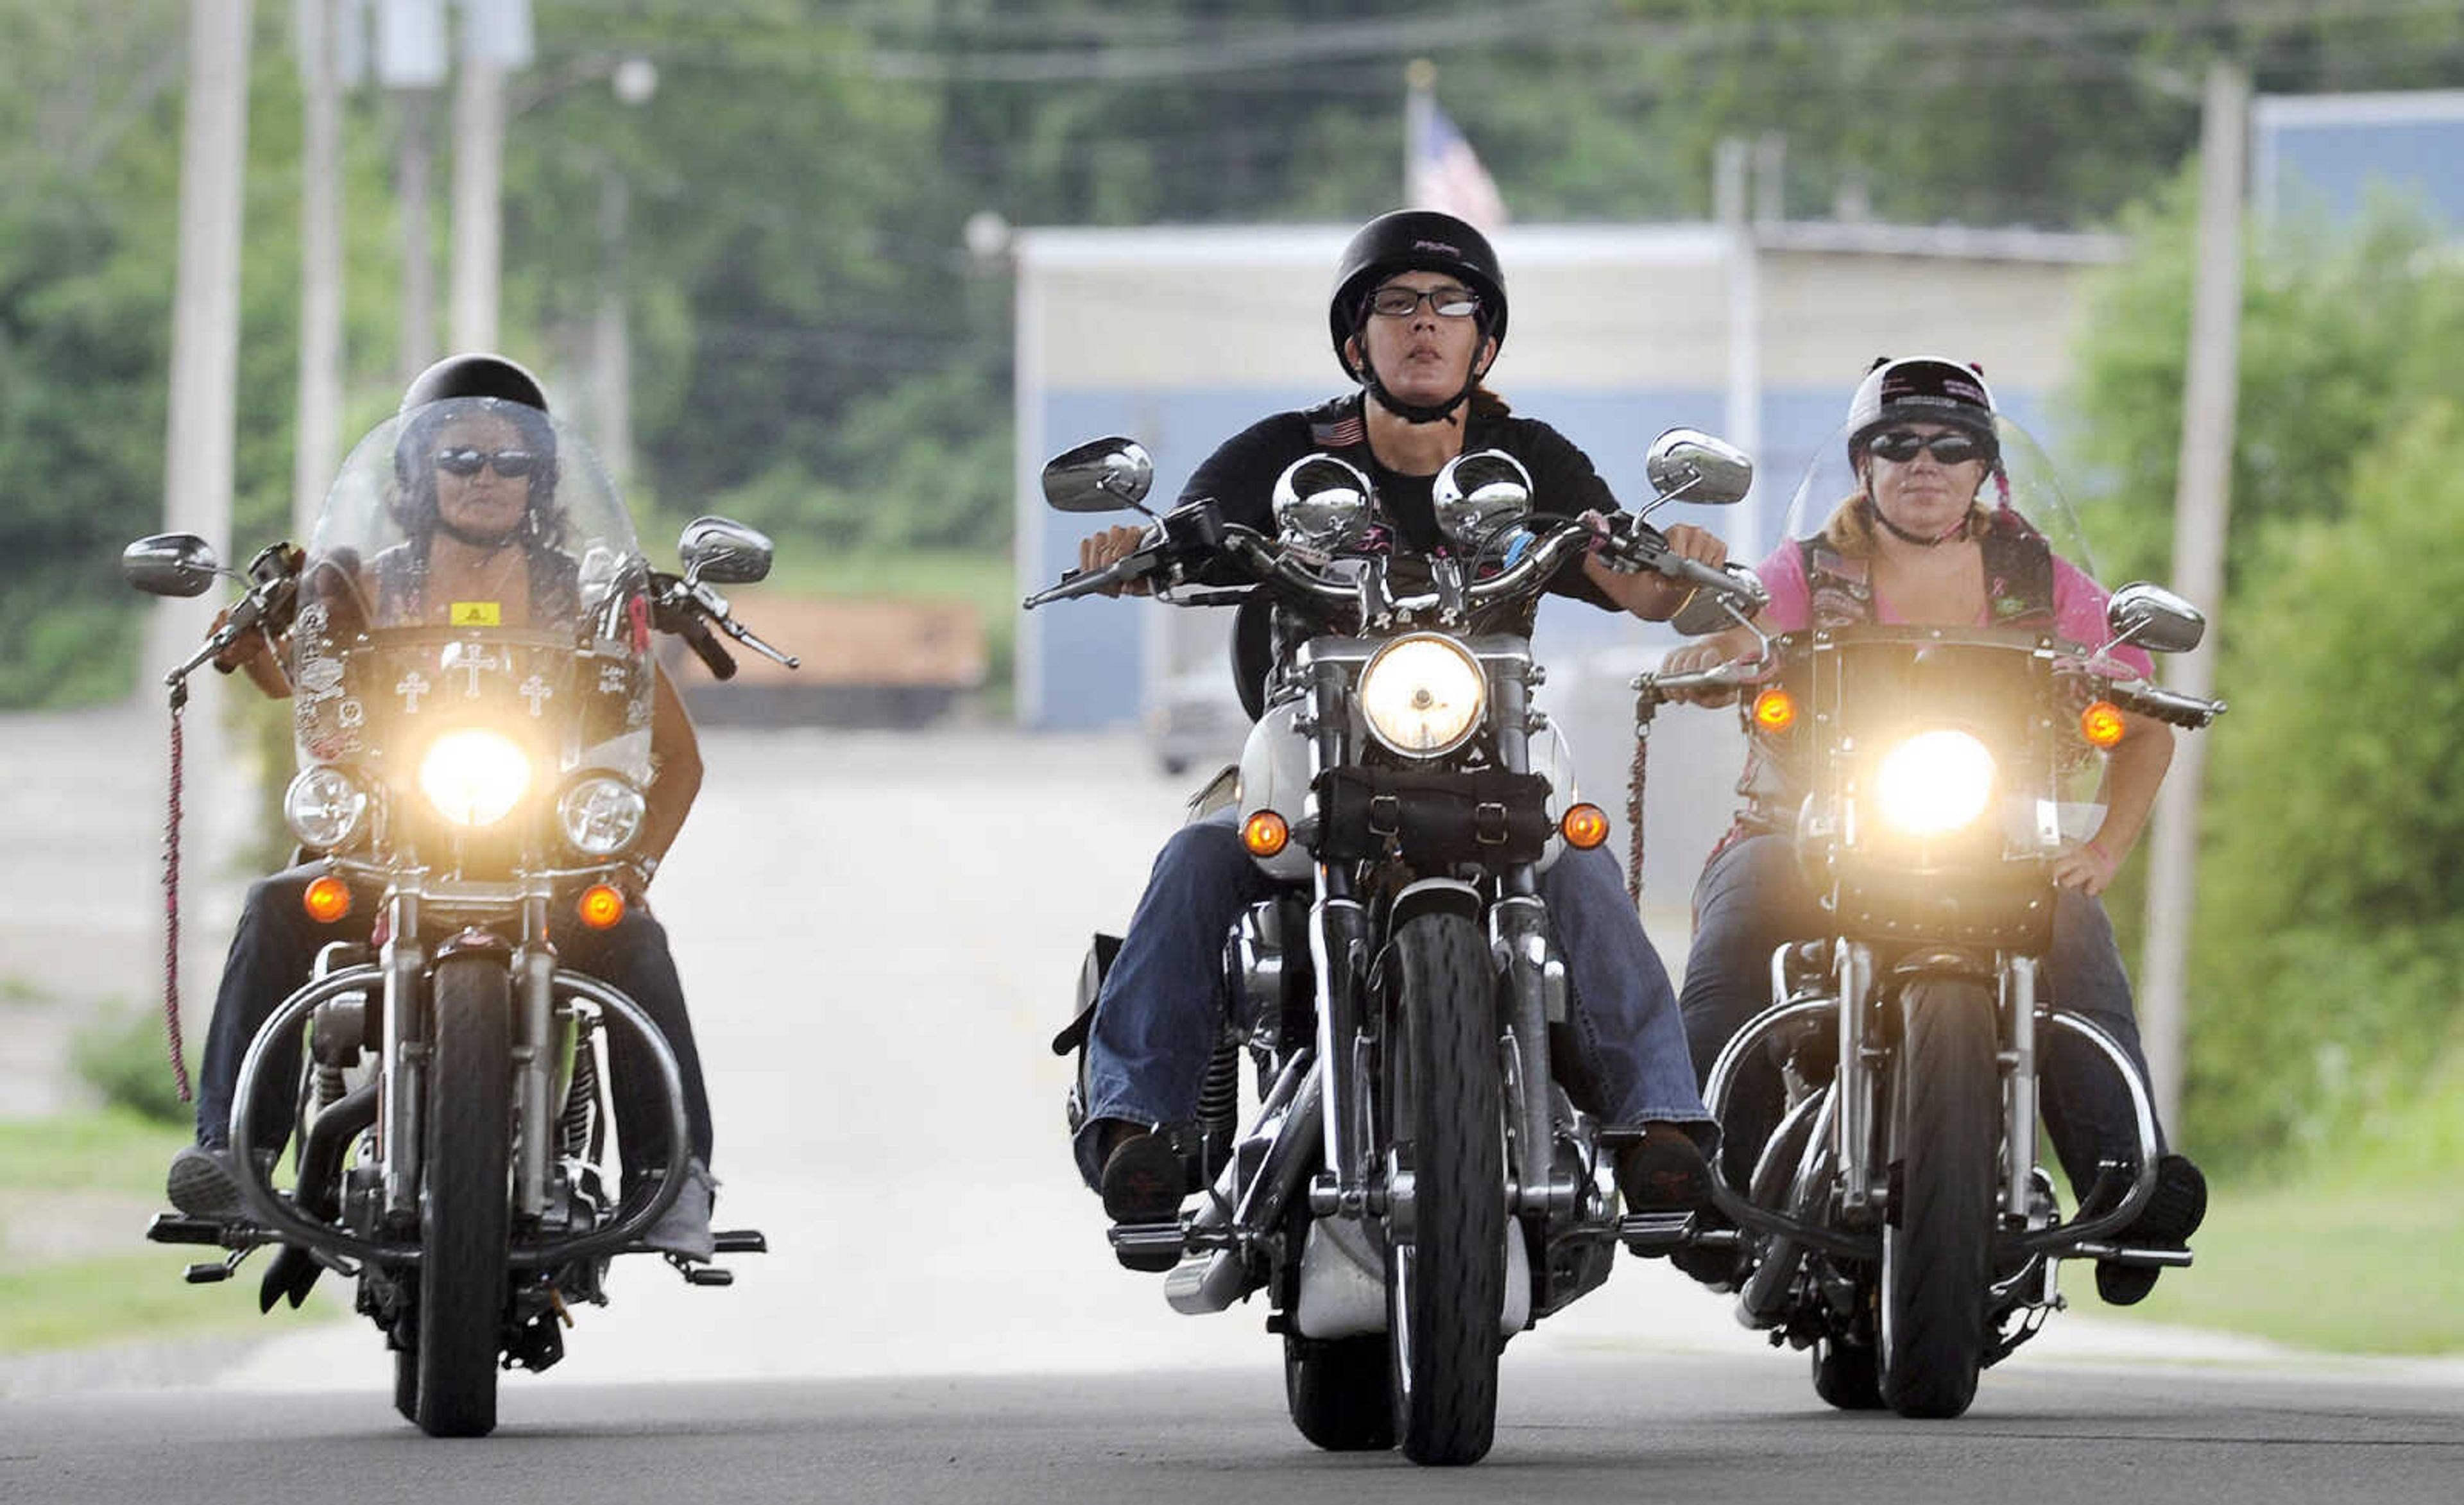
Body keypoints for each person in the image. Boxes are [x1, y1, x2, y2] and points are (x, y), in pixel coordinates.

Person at [1070, 209, 1732, 1251]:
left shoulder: (1532, 458)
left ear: (1486, 338)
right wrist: (1137, 551)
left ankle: (1657, 1121)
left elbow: (1636, 583)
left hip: (1494, 753)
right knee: (1198, 855)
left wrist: (1681, 562)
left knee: (1583, 864)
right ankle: (1135, 1121)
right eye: (1397, 304)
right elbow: (1187, 540)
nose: (1425, 325)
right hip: (1311, 742)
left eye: (1451, 304)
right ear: (1356, 338)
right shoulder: (1286, 455)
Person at [1659, 356, 2206, 1304]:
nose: (1925, 462)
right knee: (1735, 925)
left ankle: (2129, 1183)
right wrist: (1714, 656)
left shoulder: (2042, 577)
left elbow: (2144, 710)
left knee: (2077, 929)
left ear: (1984, 467)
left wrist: (2104, 847)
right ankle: (1704, 1177)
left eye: (1951, 445)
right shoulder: (1810, 569)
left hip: (1993, 842)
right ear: (1863, 464)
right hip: (1806, 829)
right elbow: (1744, 632)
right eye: (1898, 442)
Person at [164, 354, 721, 1259]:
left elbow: (679, 758)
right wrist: (260, 621)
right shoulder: (362, 585)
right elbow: (298, 686)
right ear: (418, 472)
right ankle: (233, 1154)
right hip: (387, 853)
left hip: (546, 858)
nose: (487, 479)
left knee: (639, 939)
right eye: (461, 458)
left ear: (541, 477)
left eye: (510, 462)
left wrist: (632, 865)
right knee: (276, 903)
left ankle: (674, 1180)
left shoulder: (582, 596)